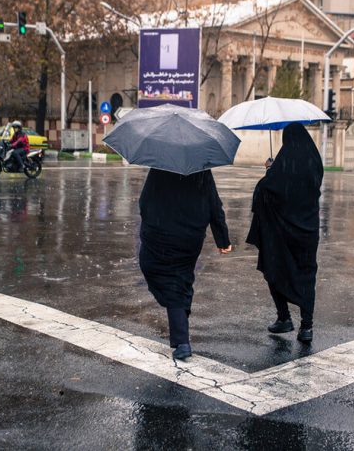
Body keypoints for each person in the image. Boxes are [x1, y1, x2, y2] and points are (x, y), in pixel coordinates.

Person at [139, 169, 232, 360]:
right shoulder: (201, 170)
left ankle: (182, 340)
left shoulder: (161, 167)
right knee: (181, 278)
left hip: (162, 234)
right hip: (190, 237)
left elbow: (145, 202)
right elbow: (215, 205)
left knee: (167, 280)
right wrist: (222, 239)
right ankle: (180, 314)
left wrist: (150, 226)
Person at [246, 123, 324, 343]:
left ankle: (284, 317)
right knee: (307, 275)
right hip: (308, 231)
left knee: (274, 269)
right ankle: (306, 327)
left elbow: (267, 189)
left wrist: (270, 170)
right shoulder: (314, 161)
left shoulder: (284, 163)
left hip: (281, 233)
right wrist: (276, 170)